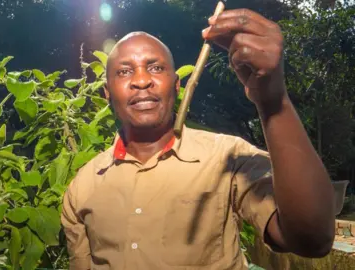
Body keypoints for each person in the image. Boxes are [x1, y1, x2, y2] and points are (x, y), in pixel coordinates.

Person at [61, 7, 337, 270]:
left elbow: (312, 239)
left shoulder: (228, 158)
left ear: (177, 85)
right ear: (107, 93)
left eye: (155, 68)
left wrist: (273, 102)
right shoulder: (82, 187)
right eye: (124, 71)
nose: (142, 80)